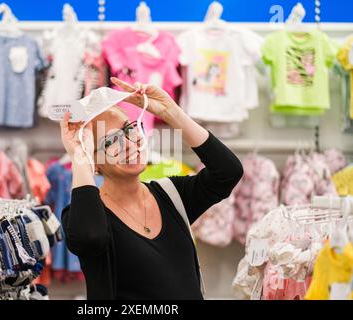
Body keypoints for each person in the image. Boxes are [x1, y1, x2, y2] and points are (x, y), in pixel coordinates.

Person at [60, 77, 243, 300]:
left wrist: (170, 112)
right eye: (110, 142)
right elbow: (90, 237)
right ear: (94, 161)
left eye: (129, 129)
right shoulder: (85, 217)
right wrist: (80, 157)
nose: (129, 143)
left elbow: (228, 172)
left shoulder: (171, 195)